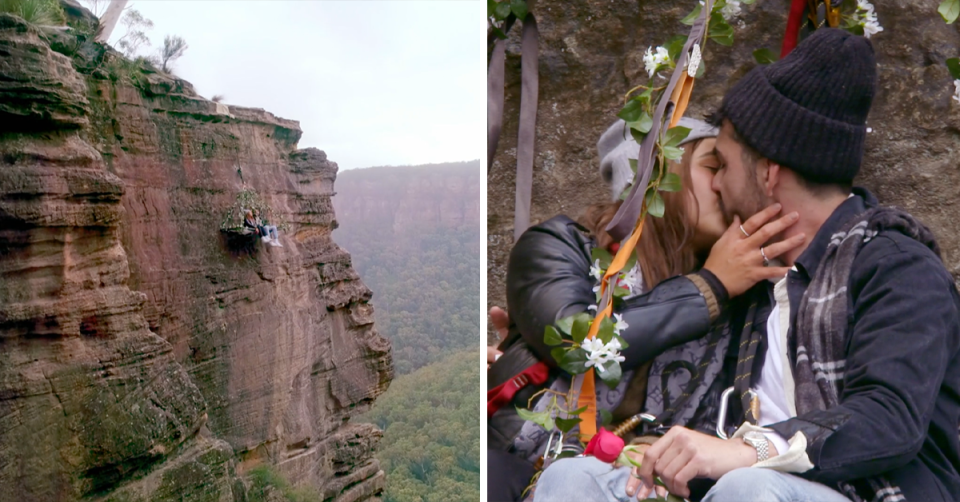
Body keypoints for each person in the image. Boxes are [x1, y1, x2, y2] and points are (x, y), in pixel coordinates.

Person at [535, 28, 960, 502]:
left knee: (749, 488)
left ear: (768, 173)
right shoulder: (754, 281)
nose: (714, 186)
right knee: (570, 480)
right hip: (731, 488)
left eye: (723, 165)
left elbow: (890, 417)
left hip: (864, 492)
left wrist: (747, 451)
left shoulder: (897, 266)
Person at [489, 117, 801, 501]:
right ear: (656, 177)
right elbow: (577, 343)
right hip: (530, 464)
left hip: (657, 483)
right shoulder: (557, 246)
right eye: (711, 166)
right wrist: (710, 286)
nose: (723, 184)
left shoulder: (746, 295)